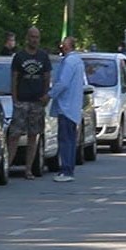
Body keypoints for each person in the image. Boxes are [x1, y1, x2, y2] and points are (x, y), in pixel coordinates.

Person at [7, 27, 51, 180]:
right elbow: (14, 78)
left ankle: (28, 170)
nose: (34, 40)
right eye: (32, 37)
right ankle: (7, 167)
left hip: (37, 102)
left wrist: (46, 96)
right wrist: (14, 99)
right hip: (22, 101)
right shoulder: (19, 56)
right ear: (27, 38)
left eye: (37, 37)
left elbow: (47, 77)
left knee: (34, 136)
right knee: (15, 135)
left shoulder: (43, 57)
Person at [44, 37, 83, 182]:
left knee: (65, 139)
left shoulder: (69, 62)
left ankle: (66, 170)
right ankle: (69, 168)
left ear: (68, 47)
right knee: (70, 139)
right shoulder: (77, 61)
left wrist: (50, 95)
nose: (62, 47)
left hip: (66, 106)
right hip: (73, 106)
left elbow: (63, 83)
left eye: (64, 45)